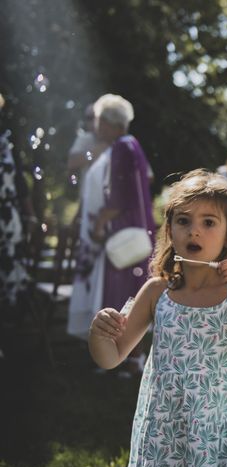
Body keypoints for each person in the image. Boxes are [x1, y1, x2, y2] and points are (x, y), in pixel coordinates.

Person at [88, 169, 227, 467]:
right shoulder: (157, 291)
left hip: (225, 427)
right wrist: (98, 334)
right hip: (168, 427)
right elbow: (112, 357)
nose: (194, 231)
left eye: (209, 222)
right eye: (184, 221)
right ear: (170, 229)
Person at [68, 94, 154, 377]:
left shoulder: (121, 148)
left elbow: (119, 196)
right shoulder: (130, 146)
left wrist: (99, 223)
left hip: (121, 236)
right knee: (128, 293)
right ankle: (123, 358)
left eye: (98, 120)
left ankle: (129, 359)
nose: (95, 125)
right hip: (129, 233)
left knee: (124, 295)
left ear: (106, 121)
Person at [0, 93, 33, 359]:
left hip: (7, 222)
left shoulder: (7, 143)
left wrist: (29, 214)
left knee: (7, 273)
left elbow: (20, 185)